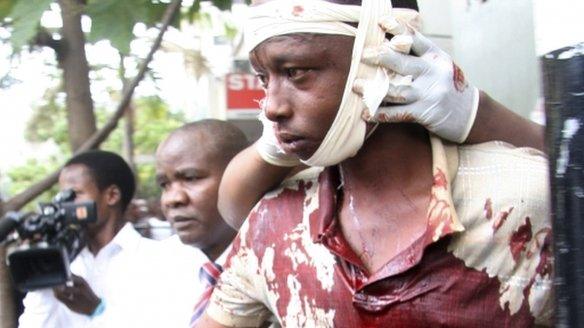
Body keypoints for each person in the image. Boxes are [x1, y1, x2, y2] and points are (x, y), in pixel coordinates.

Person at [199, 0, 553, 326]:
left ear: (387, 53)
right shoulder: (275, 221)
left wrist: (478, 112)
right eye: (264, 78)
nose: (271, 106)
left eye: (295, 71)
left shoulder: (525, 202)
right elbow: (232, 206)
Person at [18, 150, 183, 327]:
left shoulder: (157, 259)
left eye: (74, 194)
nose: (63, 205)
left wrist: (96, 310)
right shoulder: (69, 263)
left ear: (111, 195)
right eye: (60, 196)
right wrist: (43, 273)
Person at [154, 119, 247, 326]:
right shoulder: (151, 268)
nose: (172, 199)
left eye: (191, 178)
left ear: (238, 175)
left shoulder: (285, 263)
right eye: (164, 184)